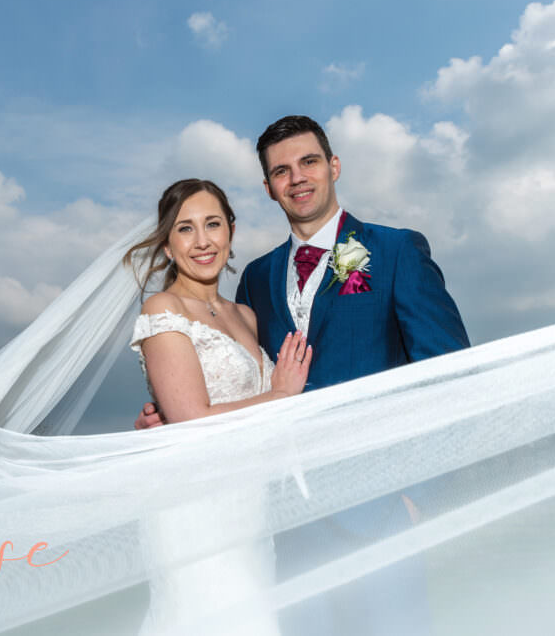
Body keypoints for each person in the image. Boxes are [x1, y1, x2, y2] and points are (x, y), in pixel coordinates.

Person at [135, 115, 470, 634]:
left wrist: (419, 497)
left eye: (309, 162)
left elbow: (449, 377)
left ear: (333, 166)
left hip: (378, 515)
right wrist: (172, 419)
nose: (298, 178)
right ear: (268, 187)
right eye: (281, 171)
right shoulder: (256, 280)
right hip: (277, 527)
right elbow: (234, 381)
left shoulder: (396, 251)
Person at [123, 178, 312, 635]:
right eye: (185, 229)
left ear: (230, 230)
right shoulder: (162, 307)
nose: (203, 241)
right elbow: (189, 419)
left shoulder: (244, 315)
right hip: (195, 507)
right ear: (167, 246)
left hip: (251, 507)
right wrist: (281, 395)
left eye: (213, 224)